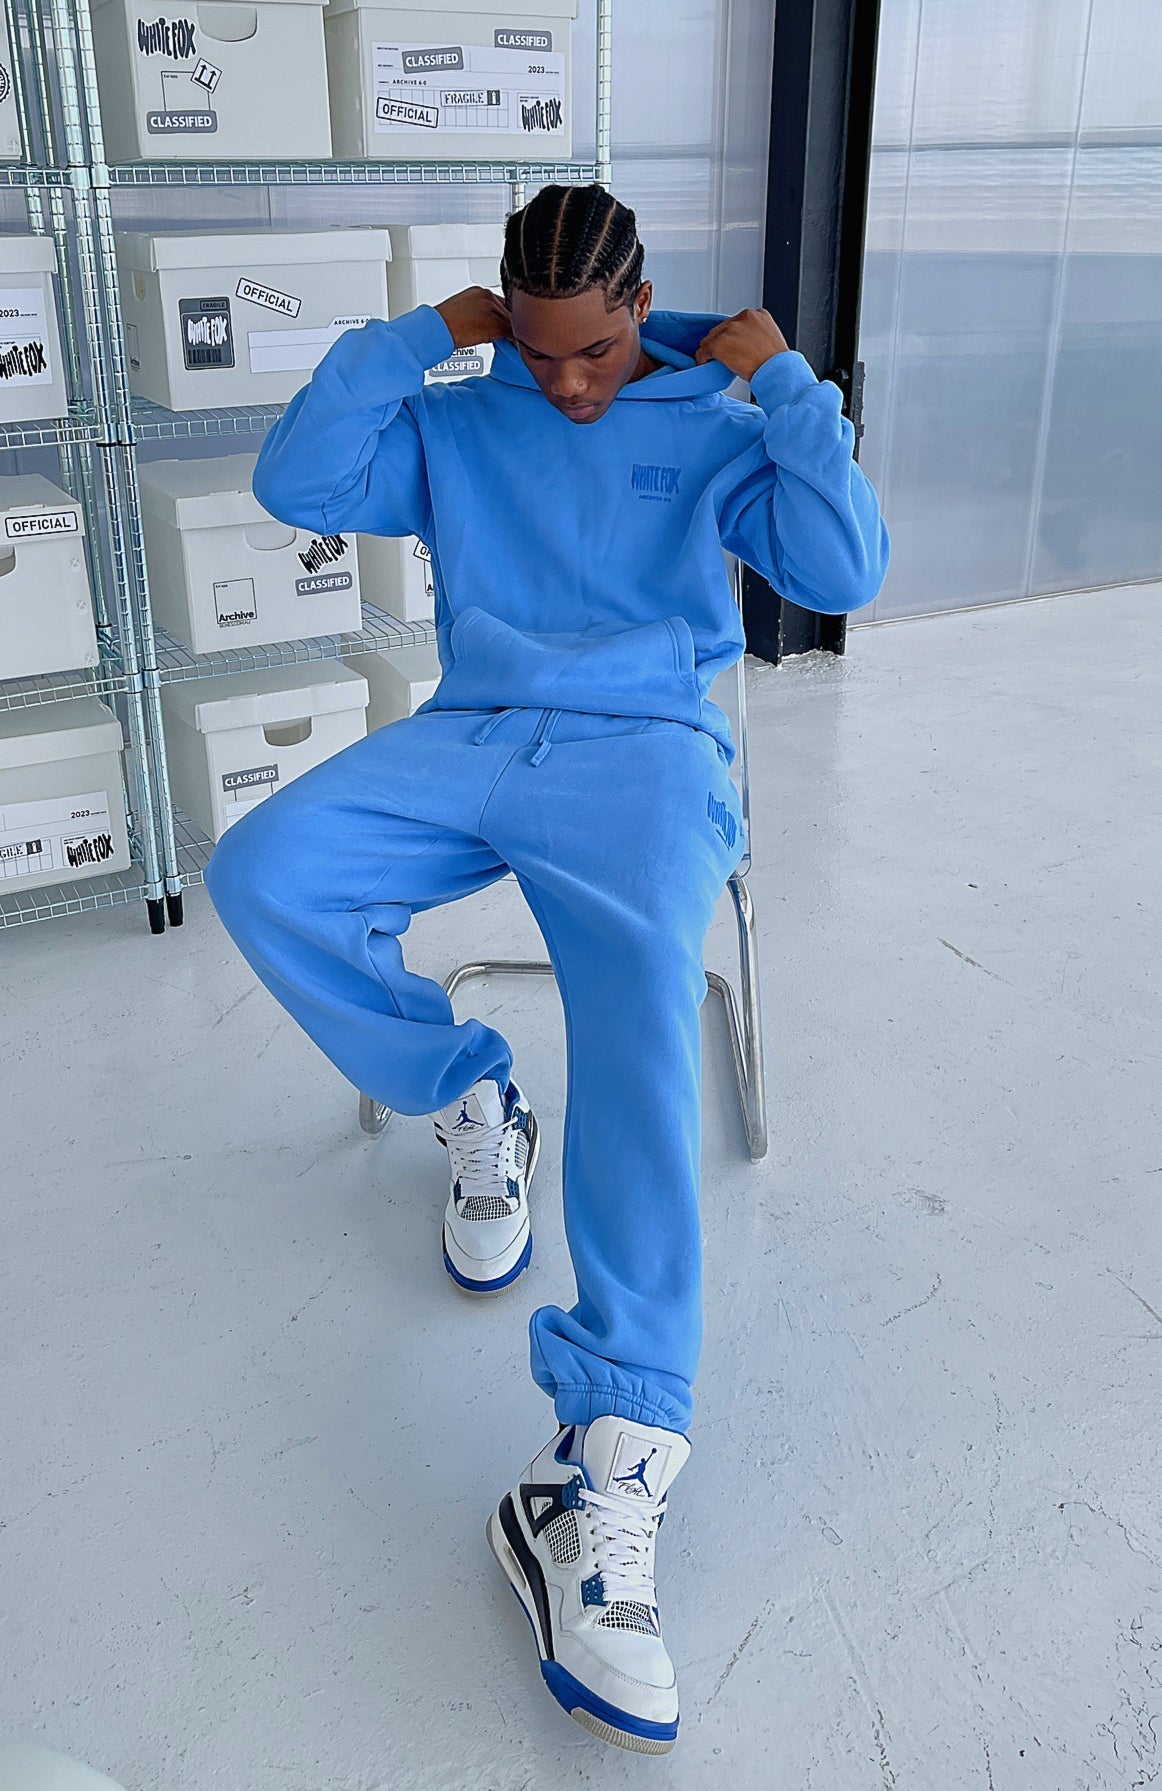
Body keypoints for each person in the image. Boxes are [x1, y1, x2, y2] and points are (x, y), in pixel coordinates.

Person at [204, 182, 888, 1755]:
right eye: (536, 347)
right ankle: (468, 1091)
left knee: (639, 999)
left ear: (640, 306)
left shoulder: (713, 422)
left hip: (642, 754)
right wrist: (421, 336)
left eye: (594, 348)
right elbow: (298, 474)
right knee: (268, 873)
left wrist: (787, 385)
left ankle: (609, 1449)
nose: (568, 381)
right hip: (474, 736)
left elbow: (841, 569)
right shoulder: (463, 415)